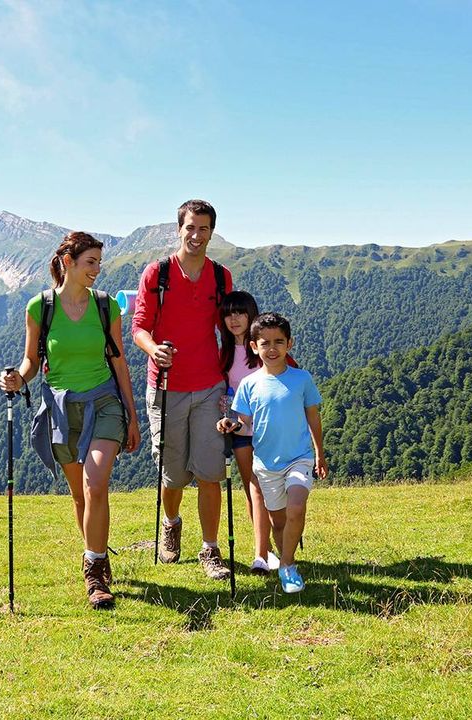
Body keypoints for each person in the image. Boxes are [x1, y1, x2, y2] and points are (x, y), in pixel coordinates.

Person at [0, 231, 140, 610]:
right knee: (80, 495)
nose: (97, 269)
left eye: (98, 262)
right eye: (90, 262)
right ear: (68, 263)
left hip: (105, 401)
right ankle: (97, 554)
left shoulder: (105, 305)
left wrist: (131, 414)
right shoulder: (39, 308)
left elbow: (118, 359)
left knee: (96, 483)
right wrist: (17, 379)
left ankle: (93, 572)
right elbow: (31, 361)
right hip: (60, 406)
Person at [132, 199, 233, 581]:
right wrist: (153, 349)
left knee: (211, 473)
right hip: (166, 386)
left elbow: (231, 329)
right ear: (179, 229)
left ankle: (210, 549)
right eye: (190, 227)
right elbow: (139, 326)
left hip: (210, 386)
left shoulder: (221, 278)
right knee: (173, 474)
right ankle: (171, 522)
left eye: (204, 228)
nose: (196, 235)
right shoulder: (157, 274)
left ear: (211, 232)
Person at [218, 312, 327, 593]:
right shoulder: (249, 384)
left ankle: (288, 565)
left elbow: (313, 416)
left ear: (289, 344)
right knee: (278, 521)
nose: (272, 348)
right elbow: (244, 423)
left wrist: (319, 454)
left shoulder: (302, 379)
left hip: (299, 458)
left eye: (279, 341)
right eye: (265, 343)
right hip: (266, 464)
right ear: (254, 346)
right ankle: (285, 559)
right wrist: (231, 424)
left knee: (296, 506)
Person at [219, 290, 279, 575]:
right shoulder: (226, 351)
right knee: (252, 487)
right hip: (242, 428)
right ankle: (263, 552)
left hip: (268, 429)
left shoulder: (263, 348)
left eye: (240, 313)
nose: (234, 319)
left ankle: (265, 551)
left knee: (264, 487)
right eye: (229, 313)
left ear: (251, 314)